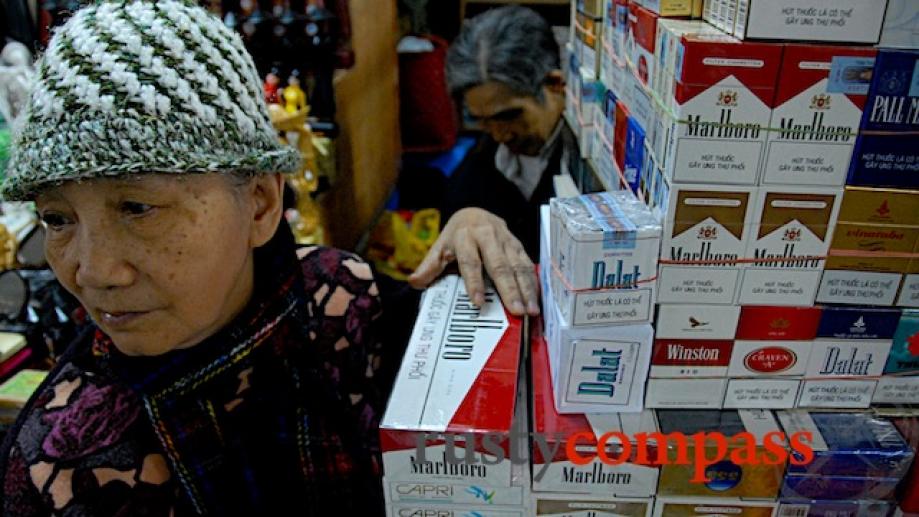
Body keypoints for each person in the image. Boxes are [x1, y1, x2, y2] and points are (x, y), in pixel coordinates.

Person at [0, 1, 385, 514]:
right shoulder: (59, 469)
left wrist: (477, 226)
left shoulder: (342, 304)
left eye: (137, 207)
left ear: (260, 204)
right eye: (57, 218)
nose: (92, 273)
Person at [409, 6, 574, 317]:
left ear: (555, 85)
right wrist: (464, 221)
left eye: (509, 115)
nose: (499, 134)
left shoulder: (589, 164)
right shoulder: (473, 175)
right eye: (483, 120)